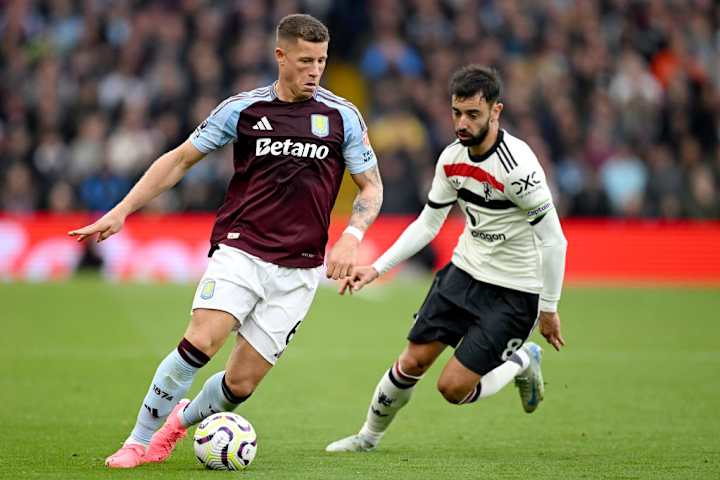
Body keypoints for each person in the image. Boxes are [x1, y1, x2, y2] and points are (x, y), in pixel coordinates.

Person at [69, 14, 383, 468]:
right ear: (280, 56)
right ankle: (138, 441)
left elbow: (370, 186)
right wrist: (121, 211)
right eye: (305, 61)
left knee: (242, 384)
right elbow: (179, 160)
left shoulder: (341, 117)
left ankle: (177, 425)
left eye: (322, 61)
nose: (315, 71)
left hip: (300, 268)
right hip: (242, 249)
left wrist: (352, 236)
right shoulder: (244, 110)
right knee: (201, 340)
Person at [325, 65, 567, 453]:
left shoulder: (518, 167)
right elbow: (427, 224)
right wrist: (377, 268)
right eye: (457, 113)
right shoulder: (451, 158)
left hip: (514, 292)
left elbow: (554, 241)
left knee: (452, 388)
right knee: (412, 361)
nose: (462, 123)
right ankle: (367, 438)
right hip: (463, 275)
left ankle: (522, 361)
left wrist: (549, 309)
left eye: (473, 114)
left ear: (496, 111)